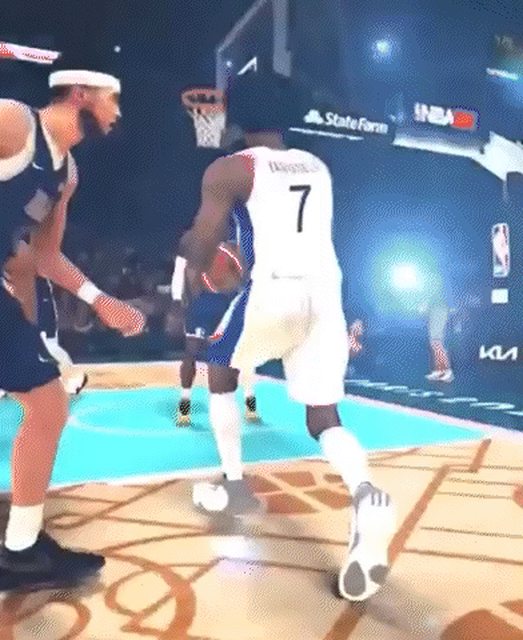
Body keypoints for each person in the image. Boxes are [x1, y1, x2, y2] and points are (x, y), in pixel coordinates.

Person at [181, 72, 395, 602]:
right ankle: (365, 493)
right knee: (324, 418)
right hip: (325, 293)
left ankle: (234, 484)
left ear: (235, 114)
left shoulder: (230, 169)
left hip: (271, 289)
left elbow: (204, 240)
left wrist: (191, 268)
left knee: (220, 368)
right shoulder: (317, 166)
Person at [0, 64, 145, 591]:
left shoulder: (66, 172)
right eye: (113, 99)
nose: (118, 112)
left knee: (47, 403)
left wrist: (100, 300)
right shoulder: (14, 123)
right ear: (81, 94)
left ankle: (21, 550)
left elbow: (46, 255)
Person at [171, 244, 260, 426]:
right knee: (191, 352)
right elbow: (182, 271)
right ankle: (184, 406)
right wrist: (178, 301)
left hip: (226, 303)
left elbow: (244, 278)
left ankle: (250, 404)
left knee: (241, 353)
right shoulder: (197, 245)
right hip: (202, 304)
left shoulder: (234, 248)